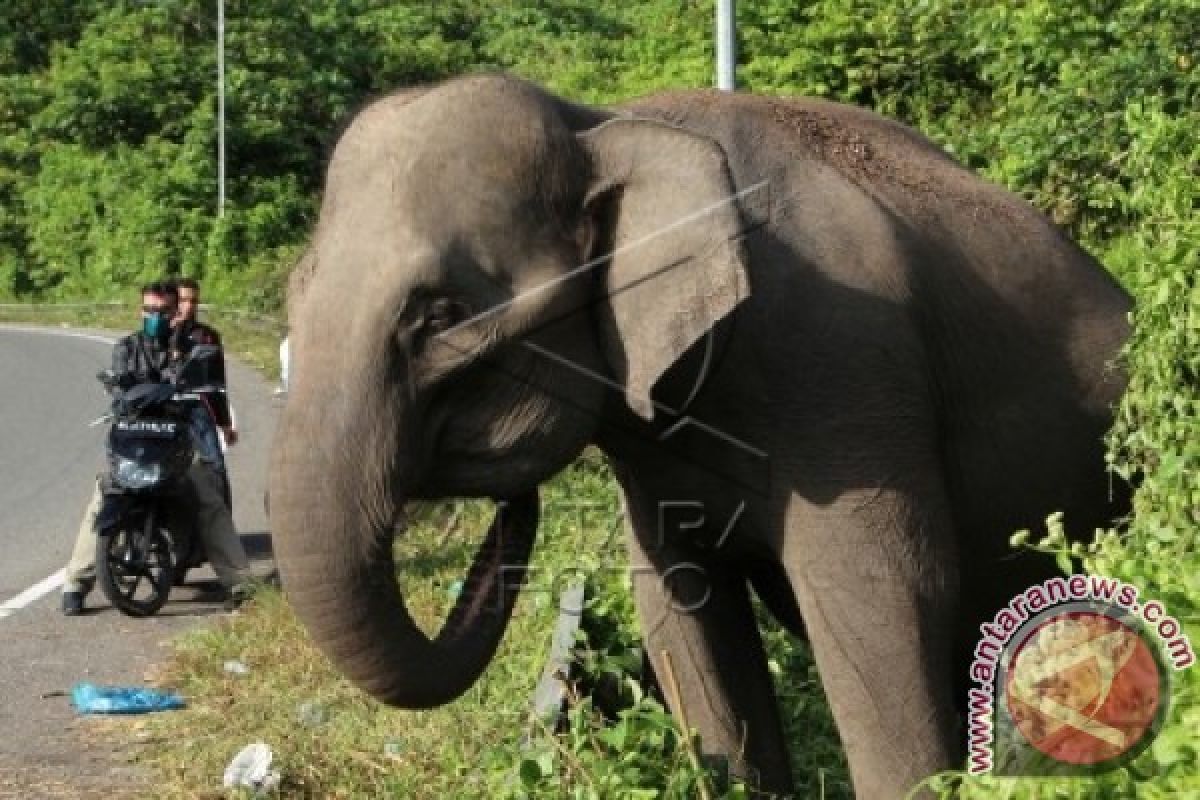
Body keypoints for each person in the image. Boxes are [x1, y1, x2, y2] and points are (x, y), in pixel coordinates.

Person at [61, 281, 255, 615]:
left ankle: (239, 583)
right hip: (137, 440)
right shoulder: (126, 348)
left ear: (173, 311)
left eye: (162, 311)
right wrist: (127, 394)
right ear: (141, 311)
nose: (155, 317)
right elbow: (121, 387)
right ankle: (75, 584)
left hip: (176, 441)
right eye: (149, 310)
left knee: (208, 497)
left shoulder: (192, 347)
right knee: (103, 495)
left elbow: (202, 383)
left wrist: (184, 378)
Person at [167, 277, 237, 504]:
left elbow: (218, 383)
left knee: (216, 469)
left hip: (199, 410)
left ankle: (222, 528)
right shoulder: (158, 333)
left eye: (194, 301)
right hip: (165, 410)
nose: (188, 306)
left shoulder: (208, 336)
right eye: (183, 300)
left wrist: (225, 425)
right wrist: (174, 333)